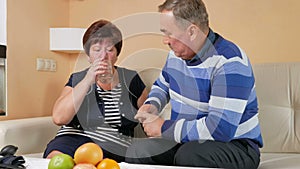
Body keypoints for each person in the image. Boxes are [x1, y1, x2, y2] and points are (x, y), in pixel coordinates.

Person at [125, 0, 263, 169]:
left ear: (191, 31)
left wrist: (163, 127)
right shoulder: (176, 55)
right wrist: (151, 105)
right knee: (139, 150)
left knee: (189, 155)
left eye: (169, 33)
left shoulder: (229, 62)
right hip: (187, 140)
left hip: (236, 146)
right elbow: (162, 85)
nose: (165, 41)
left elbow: (220, 130)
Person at [43, 19, 148, 162]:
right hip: (72, 137)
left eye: (110, 50)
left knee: (95, 163)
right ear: (88, 55)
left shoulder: (131, 79)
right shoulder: (78, 78)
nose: (103, 56)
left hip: (113, 144)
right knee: (57, 160)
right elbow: (59, 118)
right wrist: (87, 80)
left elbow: (148, 118)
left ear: (117, 54)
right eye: (97, 50)